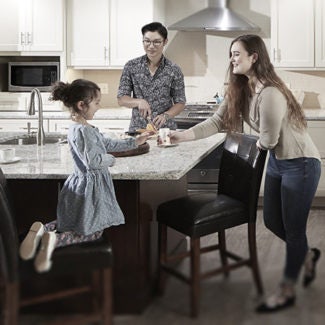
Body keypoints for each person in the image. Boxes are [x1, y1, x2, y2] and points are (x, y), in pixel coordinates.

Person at [169, 34, 321, 313]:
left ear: (255, 57)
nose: (232, 59)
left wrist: (247, 144)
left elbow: (269, 140)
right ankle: (308, 255)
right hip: (279, 162)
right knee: (274, 221)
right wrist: (183, 136)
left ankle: (286, 290)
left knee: (295, 229)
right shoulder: (241, 88)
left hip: (300, 163)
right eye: (231, 54)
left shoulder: (271, 92)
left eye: (237, 53)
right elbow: (218, 121)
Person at [19, 79, 151, 273]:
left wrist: (134, 142)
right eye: (96, 103)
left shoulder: (77, 128)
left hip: (77, 186)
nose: (98, 107)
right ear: (82, 105)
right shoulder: (86, 131)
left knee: (72, 223)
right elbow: (94, 162)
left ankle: (42, 230)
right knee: (93, 231)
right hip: (92, 192)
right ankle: (54, 241)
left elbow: (107, 144)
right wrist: (111, 160)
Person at [117, 21, 186, 132]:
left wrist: (166, 115)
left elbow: (180, 102)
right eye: (147, 41)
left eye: (157, 42)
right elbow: (121, 99)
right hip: (138, 130)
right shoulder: (131, 66)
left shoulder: (174, 69)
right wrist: (139, 102)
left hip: (165, 131)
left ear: (165, 42)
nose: (151, 46)